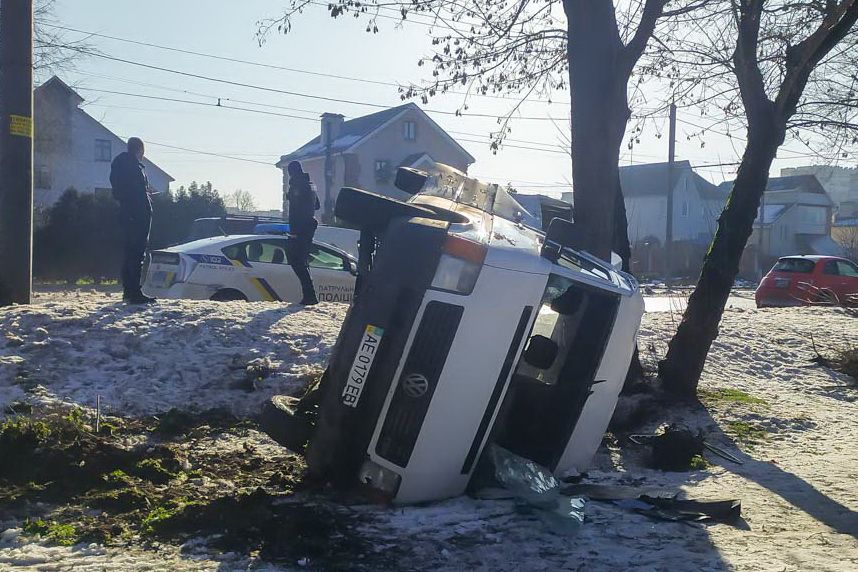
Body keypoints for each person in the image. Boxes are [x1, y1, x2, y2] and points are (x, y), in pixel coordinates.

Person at [110, 137, 155, 304]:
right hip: (138, 215)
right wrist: (146, 199)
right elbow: (136, 193)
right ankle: (135, 292)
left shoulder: (119, 165)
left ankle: (128, 291)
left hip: (126, 213)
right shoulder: (134, 167)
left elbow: (123, 191)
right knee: (137, 253)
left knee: (129, 252)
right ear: (140, 149)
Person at [287, 160, 320, 305]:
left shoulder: (297, 185)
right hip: (309, 225)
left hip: (301, 227)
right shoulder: (310, 185)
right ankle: (309, 295)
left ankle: (310, 295)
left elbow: (296, 210)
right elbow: (317, 205)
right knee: (301, 261)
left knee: (296, 260)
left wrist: (295, 231)